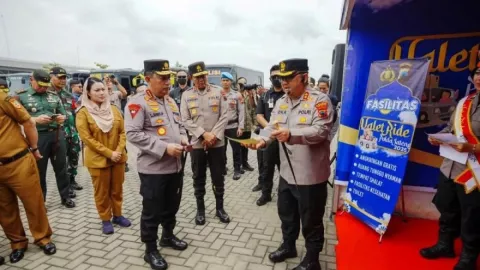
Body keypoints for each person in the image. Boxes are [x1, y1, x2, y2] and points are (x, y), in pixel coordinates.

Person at [243, 59, 334, 270]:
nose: (283, 82)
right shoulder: (282, 101)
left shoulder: (319, 100)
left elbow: (321, 131)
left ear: (303, 77)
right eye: (282, 78)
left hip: (310, 175)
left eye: (288, 78)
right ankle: (288, 246)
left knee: (311, 221)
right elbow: (272, 127)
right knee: (287, 213)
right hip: (287, 173)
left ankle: (312, 260)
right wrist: (261, 141)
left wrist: (292, 134)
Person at [126, 60, 190, 270]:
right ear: (147, 79)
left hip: (175, 167)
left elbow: (179, 125)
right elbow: (133, 134)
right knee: (152, 210)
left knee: (172, 205)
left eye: (168, 78)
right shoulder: (137, 103)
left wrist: (182, 139)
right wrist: (164, 148)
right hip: (153, 170)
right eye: (162, 78)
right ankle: (150, 250)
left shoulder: (170, 101)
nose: (167, 82)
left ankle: (168, 236)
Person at [420, 64, 480, 270]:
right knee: (447, 208)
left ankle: (468, 257)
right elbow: (451, 127)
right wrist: (439, 138)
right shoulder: (465, 102)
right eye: (478, 73)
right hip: (450, 166)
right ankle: (445, 245)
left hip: (473, 172)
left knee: (471, 215)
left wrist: (472, 146)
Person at [0, 78, 57, 264]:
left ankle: (43, 238)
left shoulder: (4, 99)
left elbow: (28, 123)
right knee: (5, 210)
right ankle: (17, 243)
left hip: (18, 162)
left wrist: (34, 148)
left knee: (33, 202)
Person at [76, 77, 131, 234]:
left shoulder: (113, 109)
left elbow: (122, 131)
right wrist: (109, 153)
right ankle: (105, 219)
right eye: (97, 90)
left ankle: (118, 215)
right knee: (101, 192)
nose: (101, 93)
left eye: (103, 89)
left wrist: (118, 151)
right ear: (88, 93)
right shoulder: (83, 113)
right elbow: (87, 138)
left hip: (118, 157)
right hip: (98, 159)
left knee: (117, 189)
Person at [14, 70, 75, 208]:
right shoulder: (20, 97)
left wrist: (61, 117)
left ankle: (65, 197)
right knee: (39, 171)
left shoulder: (53, 96)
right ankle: (41, 201)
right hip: (37, 137)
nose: (43, 88)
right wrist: (34, 120)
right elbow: (14, 120)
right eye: (40, 85)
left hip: (57, 135)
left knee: (62, 168)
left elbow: (63, 113)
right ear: (32, 80)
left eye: (45, 85)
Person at [181, 61, 230, 225]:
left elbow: (225, 116)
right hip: (197, 144)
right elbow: (185, 119)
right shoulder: (186, 95)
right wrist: (203, 135)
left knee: (218, 177)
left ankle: (220, 209)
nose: (201, 79)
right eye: (197, 77)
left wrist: (214, 136)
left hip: (216, 144)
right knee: (198, 177)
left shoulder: (218, 92)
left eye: (203, 76)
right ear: (191, 78)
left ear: (207, 75)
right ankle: (200, 210)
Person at [49, 67, 83, 193]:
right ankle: (65, 187)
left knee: (74, 156)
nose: (63, 80)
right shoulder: (47, 94)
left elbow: (75, 113)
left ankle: (72, 179)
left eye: (64, 78)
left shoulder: (68, 95)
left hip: (72, 131)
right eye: (60, 77)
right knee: (61, 161)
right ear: (51, 77)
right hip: (58, 133)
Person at [254, 64, 284, 206]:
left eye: (279, 76)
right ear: (270, 78)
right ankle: (266, 194)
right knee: (267, 167)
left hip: (285, 137)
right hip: (268, 135)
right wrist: (270, 130)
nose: (276, 79)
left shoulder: (288, 95)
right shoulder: (265, 96)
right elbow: (259, 115)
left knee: (284, 168)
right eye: (273, 77)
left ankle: (284, 196)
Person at [221, 72, 245, 180]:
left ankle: (237, 169)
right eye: (223, 80)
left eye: (227, 80)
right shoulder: (218, 94)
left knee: (236, 150)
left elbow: (241, 111)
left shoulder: (236, 95)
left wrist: (241, 127)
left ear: (231, 82)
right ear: (221, 81)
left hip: (233, 126)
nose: (225, 82)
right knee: (221, 149)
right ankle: (223, 168)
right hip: (221, 127)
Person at [237, 77, 256, 172]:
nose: (242, 86)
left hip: (247, 125)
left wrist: (251, 95)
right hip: (238, 126)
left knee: (246, 146)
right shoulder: (235, 95)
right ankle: (238, 165)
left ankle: (245, 163)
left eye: (243, 84)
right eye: (240, 84)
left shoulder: (248, 95)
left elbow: (252, 109)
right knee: (238, 146)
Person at [317, 76, 339, 141]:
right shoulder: (313, 99)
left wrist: (329, 138)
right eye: (320, 88)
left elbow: (335, 122)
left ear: (328, 88)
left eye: (324, 88)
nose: (322, 90)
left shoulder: (333, 100)